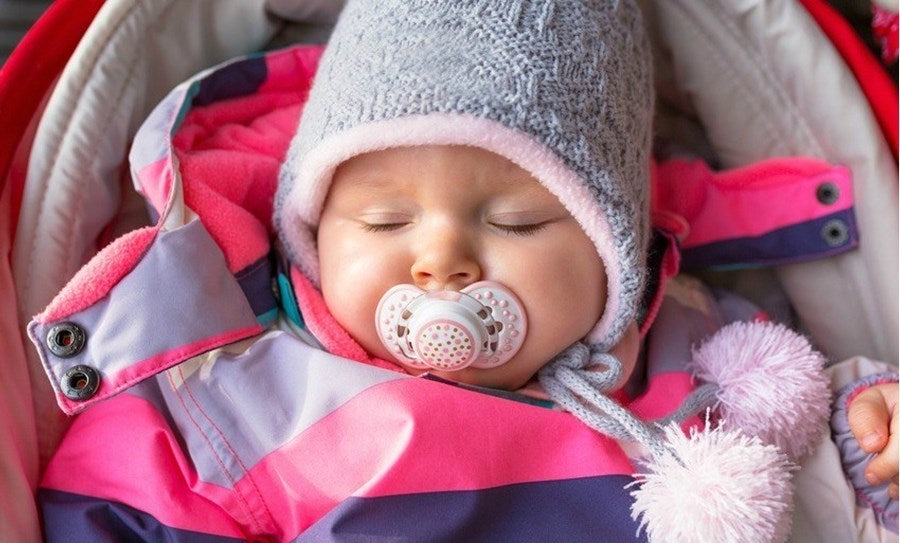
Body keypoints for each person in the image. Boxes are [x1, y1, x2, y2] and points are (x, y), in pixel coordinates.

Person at [33, 0, 896, 541]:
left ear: (614, 256)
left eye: (517, 220)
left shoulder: (694, 353)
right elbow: (113, 504)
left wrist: (866, 443)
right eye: (385, 218)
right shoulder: (236, 392)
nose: (439, 256)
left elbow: (797, 481)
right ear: (308, 230)